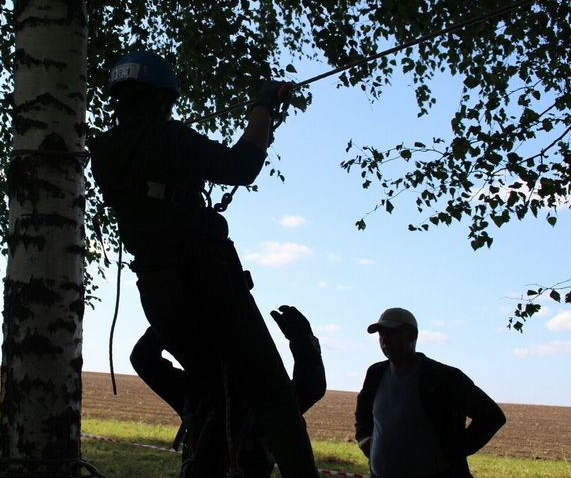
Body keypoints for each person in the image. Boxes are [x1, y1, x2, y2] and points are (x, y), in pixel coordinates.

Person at [89, 51, 319, 477]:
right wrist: (263, 106)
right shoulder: (171, 139)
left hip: (160, 297)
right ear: (163, 99)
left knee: (224, 397)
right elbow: (241, 166)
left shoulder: (103, 153)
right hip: (210, 280)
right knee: (274, 401)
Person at [130, 305, 326, 477]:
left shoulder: (198, 392)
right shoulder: (266, 397)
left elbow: (143, 359)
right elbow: (310, 387)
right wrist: (303, 341)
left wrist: (170, 317)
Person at [355, 307, 506, 478]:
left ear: (412, 336)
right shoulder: (375, 373)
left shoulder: (443, 378)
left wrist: (450, 455)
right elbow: (363, 410)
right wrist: (364, 438)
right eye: (382, 334)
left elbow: (492, 416)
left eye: (393, 333)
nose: (385, 340)